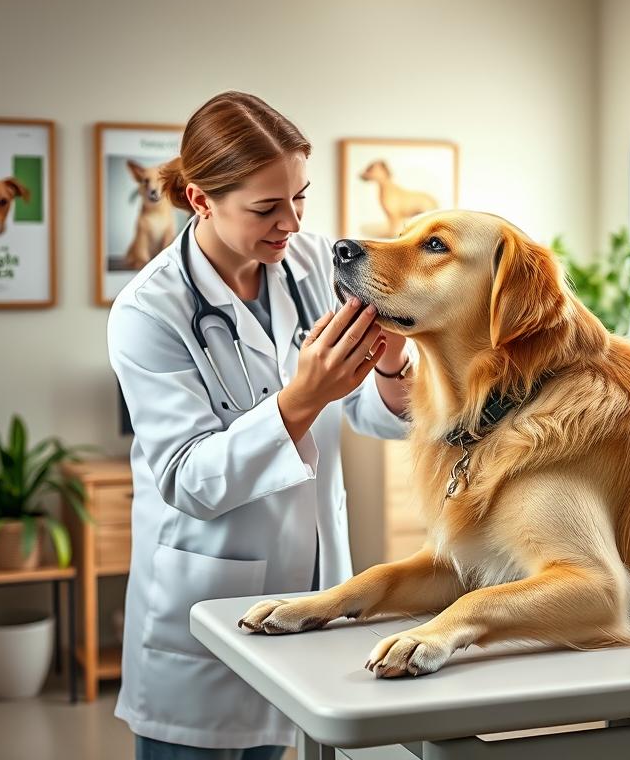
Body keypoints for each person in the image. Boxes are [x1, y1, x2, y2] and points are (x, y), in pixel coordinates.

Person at [106, 91, 415, 760]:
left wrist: (391, 367)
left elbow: (365, 413)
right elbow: (188, 480)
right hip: (203, 616)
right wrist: (302, 398)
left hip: (310, 599)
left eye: (301, 197)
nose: (292, 222)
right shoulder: (147, 312)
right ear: (200, 200)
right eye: (267, 207)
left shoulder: (308, 266)